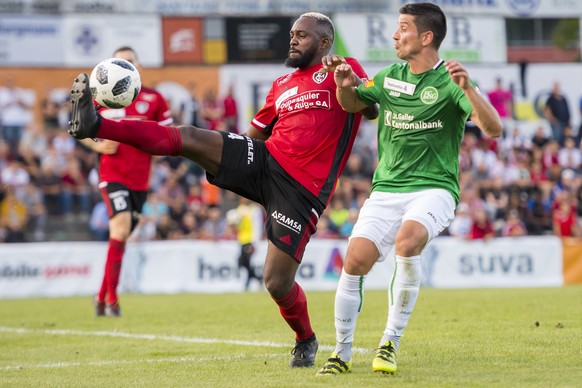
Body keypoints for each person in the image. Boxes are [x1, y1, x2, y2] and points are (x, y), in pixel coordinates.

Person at [68, 12, 378, 367]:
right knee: (190, 137)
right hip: (266, 160)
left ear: (324, 42)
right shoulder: (281, 85)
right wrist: (224, 158)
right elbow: (255, 135)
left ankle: (305, 338)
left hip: (301, 189)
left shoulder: (344, 68)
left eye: (302, 36)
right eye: (292, 34)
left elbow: (369, 109)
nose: (292, 40)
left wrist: (346, 83)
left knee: (276, 282)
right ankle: (97, 124)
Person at [315, 2, 503, 376]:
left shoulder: (451, 80)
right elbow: (353, 103)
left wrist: (469, 89)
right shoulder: (388, 77)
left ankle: (389, 344)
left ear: (426, 37)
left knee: (408, 240)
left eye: (402, 28)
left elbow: (493, 128)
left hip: (434, 188)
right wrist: (343, 84)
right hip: (386, 190)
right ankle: (341, 353)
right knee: (354, 261)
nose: (394, 35)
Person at [79, 46, 173, 317]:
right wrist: (96, 147)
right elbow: (77, 127)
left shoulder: (155, 98)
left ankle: (100, 296)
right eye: (119, 62)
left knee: (120, 237)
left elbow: (169, 134)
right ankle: (113, 300)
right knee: (119, 230)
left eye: (130, 61)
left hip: (141, 181)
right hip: (112, 175)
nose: (125, 66)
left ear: (139, 66)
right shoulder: (102, 96)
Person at [227, 196, 265, 291]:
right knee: (244, 262)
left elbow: (257, 227)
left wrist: (254, 242)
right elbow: (237, 226)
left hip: (250, 240)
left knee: (246, 262)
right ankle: (258, 278)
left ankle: (247, 284)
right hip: (242, 240)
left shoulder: (255, 210)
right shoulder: (239, 210)